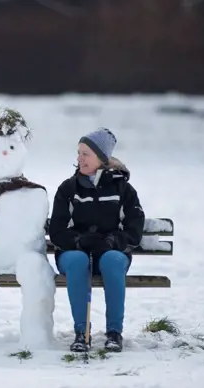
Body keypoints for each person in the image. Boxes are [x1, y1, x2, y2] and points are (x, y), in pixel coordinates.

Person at [49, 127, 145, 352]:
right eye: (79, 153)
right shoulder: (68, 189)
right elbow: (57, 230)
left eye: (86, 154)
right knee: (77, 261)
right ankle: (82, 332)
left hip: (111, 251)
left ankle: (114, 333)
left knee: (112, 261)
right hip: (74, 251)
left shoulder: (123, 189)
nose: (79, 158)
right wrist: (79, 241)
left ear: (101, 159)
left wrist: (113, 242)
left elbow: (134, 227)